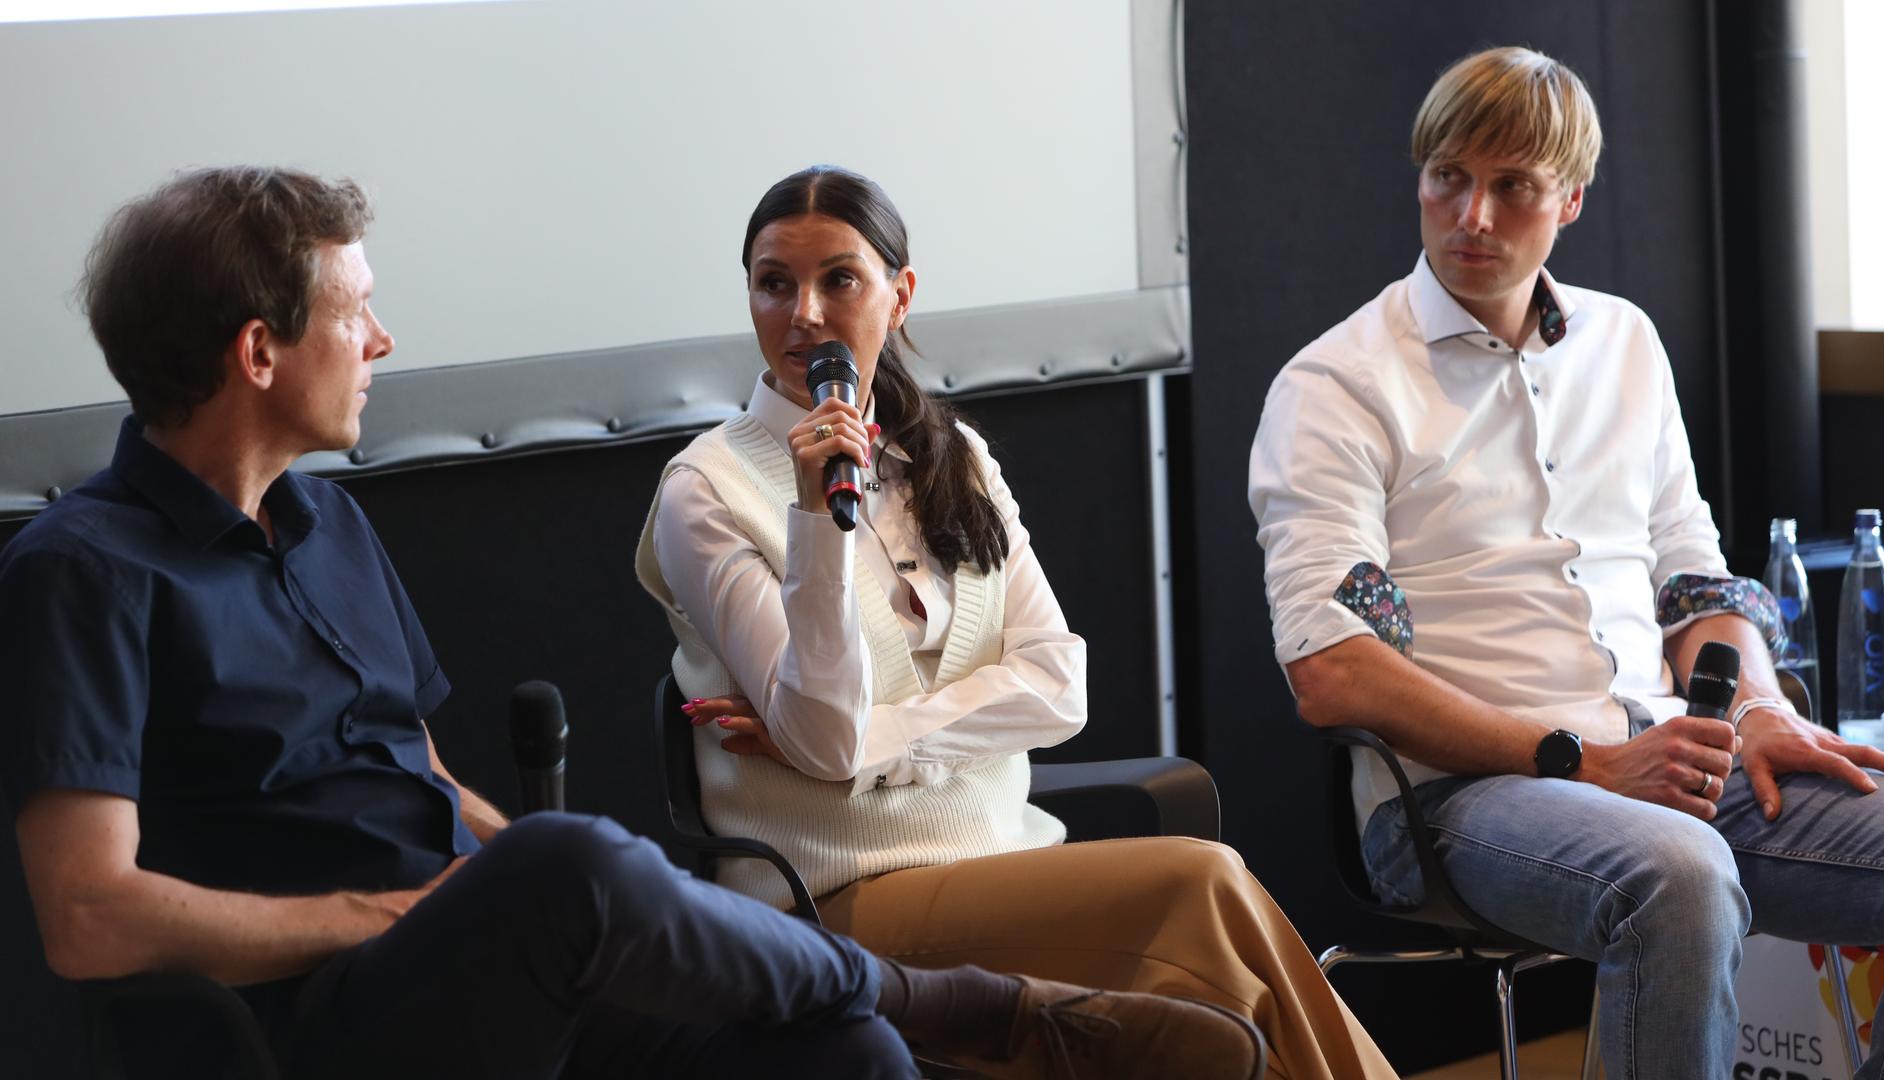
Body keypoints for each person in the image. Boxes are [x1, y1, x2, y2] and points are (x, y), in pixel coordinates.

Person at [0, 165, 1270, 1080]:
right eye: (353, 313)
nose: (383, 340)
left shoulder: (327, 528)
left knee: (835, 1048)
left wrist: (530, 884)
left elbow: (418, 768)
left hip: (476, 960)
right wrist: (389, 915)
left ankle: (915, 1011)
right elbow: (89, 914)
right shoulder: (85, 571)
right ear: (259, 352)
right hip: (316, 1016)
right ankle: (978, 1008)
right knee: (568, 862)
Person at [636, 164, 1399, 1080]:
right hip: (833, 902)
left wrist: (886, 741)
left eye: (838, 279)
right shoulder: (704, 491)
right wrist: (816, 522)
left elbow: (1057, 683)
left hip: (1012, 864)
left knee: (1220, 1006)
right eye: (773, 283)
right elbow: (826, 734)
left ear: (899, 294)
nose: (803, 312)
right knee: (1202, 883)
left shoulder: (950, 454)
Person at [1251, 45, 1884, 1077]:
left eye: (1511, 186)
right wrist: (1585, 760)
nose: (1471, 216)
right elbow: (1334, 669)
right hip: (1454, 800)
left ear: (1568, 200)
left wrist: (1755, 709)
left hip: (1663, 758)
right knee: (1683, 876)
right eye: (1448, 179)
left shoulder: (1624, 343)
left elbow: (1694, 576)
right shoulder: (1338, 385)